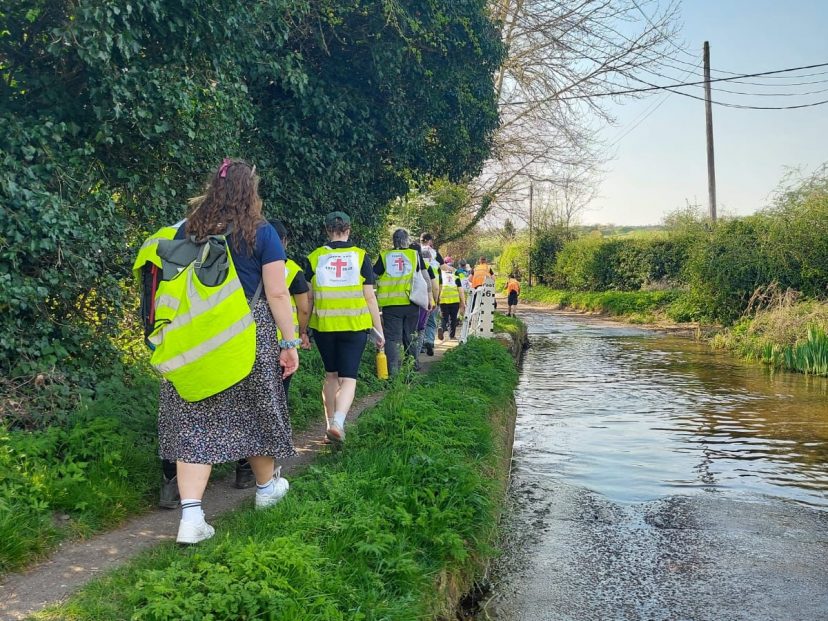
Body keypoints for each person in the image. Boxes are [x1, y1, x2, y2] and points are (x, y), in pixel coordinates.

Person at [154, 159, 299, 545]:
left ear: (213, 188)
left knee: (193, 423)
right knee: (256, 412)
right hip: (247, 334)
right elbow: (277, 292)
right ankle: (267, 490)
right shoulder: (262, 233)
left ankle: (191, 518)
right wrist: (289, 342)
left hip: (196, 339)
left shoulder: (187, 230)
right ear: (250, 191)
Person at [306, 211, 384, 445]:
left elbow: (308, 299)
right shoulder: (361, 257)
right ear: (348, 230)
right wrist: (378, 330)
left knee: (331, 376)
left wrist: (303, 330)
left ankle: (329, 425)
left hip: (324, 325)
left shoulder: (315, 257)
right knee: (348, 378)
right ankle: (339, 423)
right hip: (354, 325)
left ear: (328, 230)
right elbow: (369, 297)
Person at [375, 229, 429, 374]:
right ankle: (412, 367)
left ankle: (393, 373)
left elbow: (373, 276)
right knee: (410, 336)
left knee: (392, 339)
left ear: (393, 240)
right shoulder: (414, 255)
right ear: (407, 240)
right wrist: (430, 297)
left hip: (391, 304)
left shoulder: (384, 256)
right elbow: (425, 277)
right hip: (411, 302)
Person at [437, 257, 466, 340]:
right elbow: (460, 290)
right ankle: (452, 336)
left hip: (443, 300)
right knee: (453, 318)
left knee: (444, 317)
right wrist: (463, 303)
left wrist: (437, 298)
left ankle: (441, 328)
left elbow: (438, 286)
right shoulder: (455, 274)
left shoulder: (441, 274)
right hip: (454, 300)